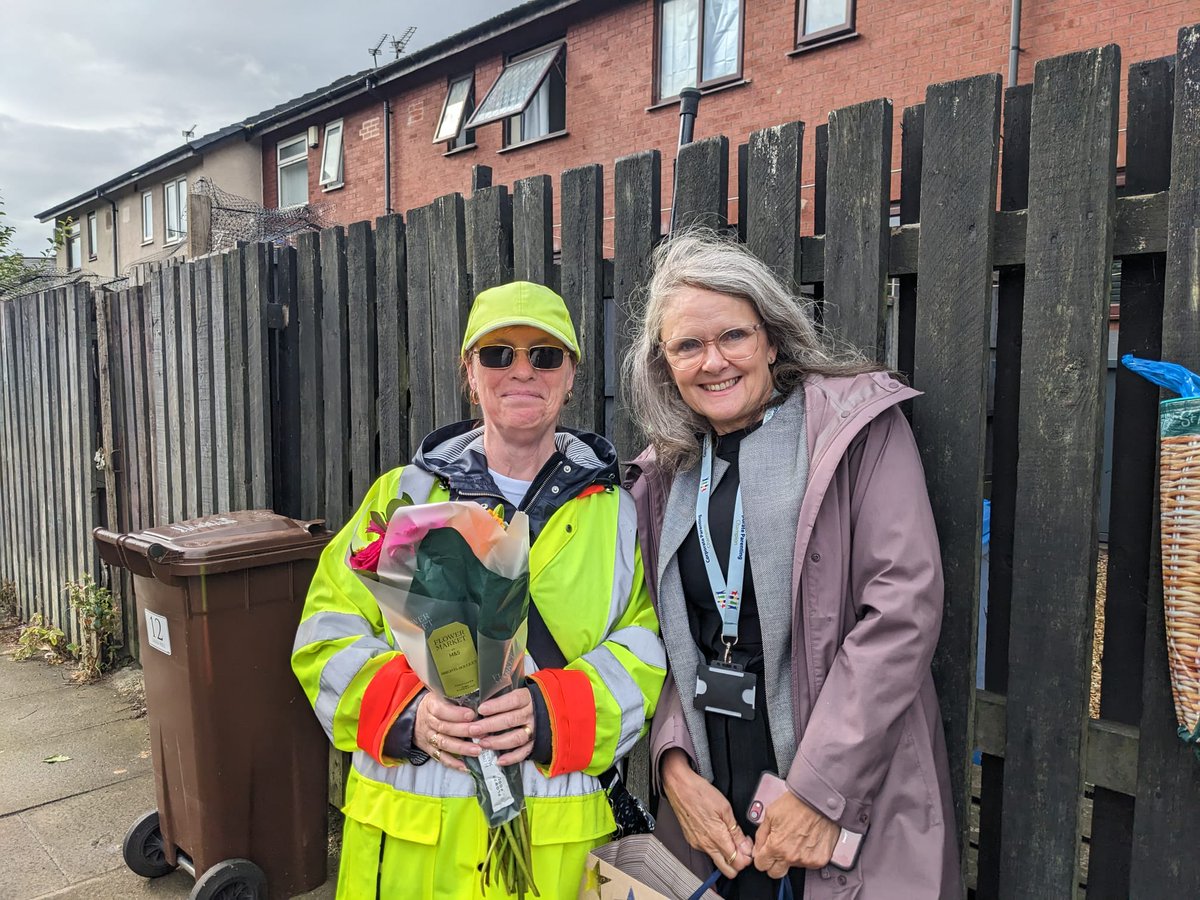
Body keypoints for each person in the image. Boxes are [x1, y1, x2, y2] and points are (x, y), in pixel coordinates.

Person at [293, 281, 665, 898]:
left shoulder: (620, 516)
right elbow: (322, 635)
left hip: (554, 853)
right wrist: (409, 711)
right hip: (408, 848)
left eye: (545, 355)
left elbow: (650, 651)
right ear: (470, 373)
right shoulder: (401, 497)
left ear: (570, 375)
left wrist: (551, 712)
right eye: (499, 354)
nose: (523, 370)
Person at [624, 230, 959, 898]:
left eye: (733, 337)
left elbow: (902, 609)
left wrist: (818, 792)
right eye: (688, 345)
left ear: (772, 338)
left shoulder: (854, 432)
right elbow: (655, 636)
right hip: (716, 800)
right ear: (665, 365)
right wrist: (672, 767)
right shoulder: (660, 476)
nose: (712, 361)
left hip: (845, 788)